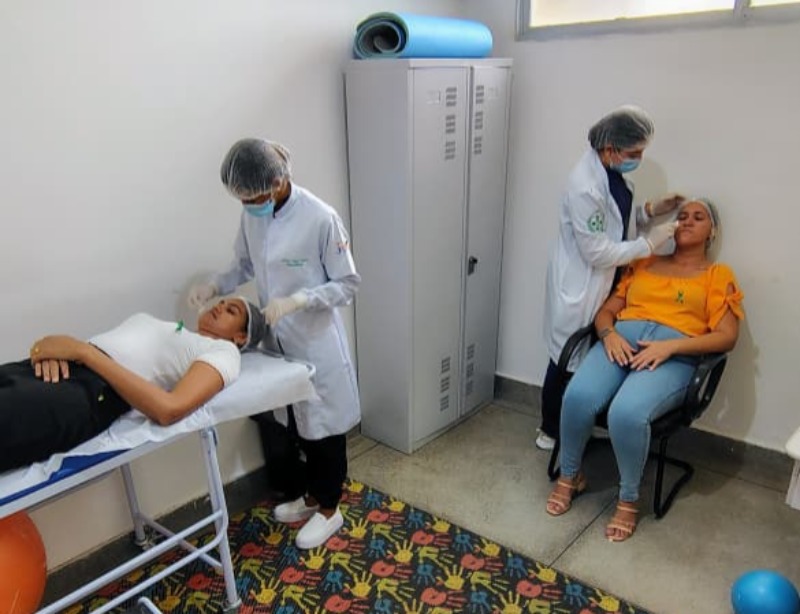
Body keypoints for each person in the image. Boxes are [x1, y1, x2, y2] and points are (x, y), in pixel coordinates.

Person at [187, 138, 361, 550]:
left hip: (315, 341)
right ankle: (312, 496)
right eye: (243, 199)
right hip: (279, 343)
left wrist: (301, 299)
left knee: (324, 430)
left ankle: (330, 509)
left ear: (278, 182)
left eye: (253, 198)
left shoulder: (320, 218)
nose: (248, 205)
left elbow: (348, 284)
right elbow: (245, 264)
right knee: (298, 427)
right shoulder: (253, 215)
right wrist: (216, 284)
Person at [545, 199, 743, 542]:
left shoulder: (717, 275)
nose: (687, 221)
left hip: (672, 356)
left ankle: (628, 499)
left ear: (712, 231)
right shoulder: (646, 261)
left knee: (626, 412)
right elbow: (607, 311)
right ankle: (571, 476)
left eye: (698, 217)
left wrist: (670, 347)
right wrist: (608, 335)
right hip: (621, 342)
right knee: (577, 396)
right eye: (682, 216)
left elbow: (727, 336)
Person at [538, 105, 687, 451]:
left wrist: (650, 211)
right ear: (610, 149)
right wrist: (649, 243)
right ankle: (551, 428)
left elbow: (615, 219)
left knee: (590, 358)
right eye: (634, 153)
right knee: (565, 359)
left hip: (606, 280)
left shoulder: (610, 173)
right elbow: (597, 251)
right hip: (582, 283)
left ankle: (581, 422)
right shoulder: (584, 186)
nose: (639, 158)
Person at [1, 297, 266, 473]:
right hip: (58, 367)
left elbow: (169, 408)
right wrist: (52, 350)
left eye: (231, 310)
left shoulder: (225, 352)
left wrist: (83, 352)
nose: (220, 306)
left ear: (241, 337)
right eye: (221, 302)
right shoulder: (180, 331)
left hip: (90, 390)